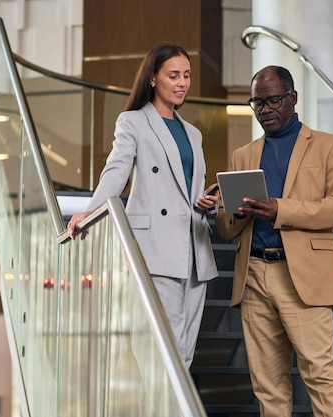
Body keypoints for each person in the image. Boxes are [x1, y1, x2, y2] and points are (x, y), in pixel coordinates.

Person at [214, 65, 333, 417]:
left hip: (303, 276)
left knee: (321, 376)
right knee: (268, 386)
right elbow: (226, 227)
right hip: (254, 277)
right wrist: (238, 212)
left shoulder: (330, 147)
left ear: (293, 98)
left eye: (274, 100)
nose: (266, 109)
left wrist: (280, 209)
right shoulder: (242, 155)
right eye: (257, 103)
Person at [67, 43, 219, 369]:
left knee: (184, 356)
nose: (182, 83)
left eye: (187, 76)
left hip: (195, 249)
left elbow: (187, 190)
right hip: (157, 249)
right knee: (164, 355)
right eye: (173, 75)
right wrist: (91, 211)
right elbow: (116, 171)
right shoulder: (133, 122)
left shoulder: (193, 134)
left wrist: (207, 203)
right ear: (153, 78)